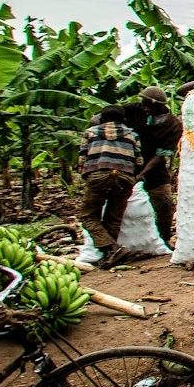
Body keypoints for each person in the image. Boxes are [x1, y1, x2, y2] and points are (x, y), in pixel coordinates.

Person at [78, 106, 141, 268]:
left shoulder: (91, 133)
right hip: (124, 178)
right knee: (113, 217)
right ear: (123, 119)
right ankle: (111, 255)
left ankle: (112, 248)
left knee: (88, 216)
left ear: (102, 119)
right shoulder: (132, 134)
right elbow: (139, 161)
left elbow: (82, 159)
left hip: (98, 175)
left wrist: (85, 174)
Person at [128, 86, 185, 246]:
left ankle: (163, 239)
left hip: (155, 170)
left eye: (149, 105)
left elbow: (161, 155)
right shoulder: (135, 109)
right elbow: (106, 116)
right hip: (128, 166)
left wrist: (142, 174)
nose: (145, 108)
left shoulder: (173, 125)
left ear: (159, 105)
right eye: (143, 103)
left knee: (164, 205)